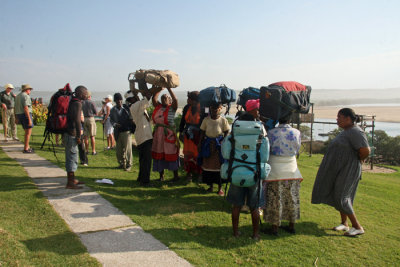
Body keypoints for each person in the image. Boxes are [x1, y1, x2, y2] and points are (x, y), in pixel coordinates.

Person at [311, 108, 370, 237]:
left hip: (348, 169)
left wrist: (358, 160)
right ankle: (344, 223)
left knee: (342, 196)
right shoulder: (347, 131)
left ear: (348, 119)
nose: (337, 120)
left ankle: (357, 226)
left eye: (339, 117)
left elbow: (365, 150)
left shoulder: (356, 132)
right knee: (338, 193)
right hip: (341, 168)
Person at [226, 106, 266, 241]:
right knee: (254, 207)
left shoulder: (232, 136)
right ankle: (255, 234)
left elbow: (226, 153)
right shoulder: (260, 137)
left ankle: (236, 232)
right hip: (254, 174)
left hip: (236, 172)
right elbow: (265, 157)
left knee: (236, 205)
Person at [262, 114, 302, 236]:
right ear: (290, 120)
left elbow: (267, 149)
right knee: (292, 198)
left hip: (276, 168)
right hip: (292, 168)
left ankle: (274, 228)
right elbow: (298, 148)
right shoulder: (296, 132)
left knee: (275, 198)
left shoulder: (271, 132)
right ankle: (291, 225)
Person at [198, 103, 230, 196]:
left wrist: (223, 141)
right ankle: (211, 186)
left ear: (220, 109)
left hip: (218, 146)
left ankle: (220, 188)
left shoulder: (223, 120)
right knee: (208, 166)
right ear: (210, 109)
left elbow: (227, 131)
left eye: (217, 108)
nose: (214, 110)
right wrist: (200, 143)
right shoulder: (206, 120)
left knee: (219, 166)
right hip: (208, 145)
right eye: (212, 108)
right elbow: (202, 132)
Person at [151, 87, 180, 181]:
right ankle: (161, 176)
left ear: (170, 100)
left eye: (166, 97)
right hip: (158, 135)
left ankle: (175, 176)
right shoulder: (158, 107)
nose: (164, 97)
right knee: (159, 154)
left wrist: (168, 88)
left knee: (171, 153)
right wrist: (159, 89)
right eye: (162, 97)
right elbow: (154, 99)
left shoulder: (172, 108)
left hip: (169, 134)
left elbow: (176, 99)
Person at [64, 86, 88, 189]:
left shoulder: (73, 101)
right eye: (85, 93)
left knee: (72, 156)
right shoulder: (77, 103)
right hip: (72, 134)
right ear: (80, 94)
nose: (86, 95)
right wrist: (79, 135)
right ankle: (70, 183)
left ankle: (72, 179)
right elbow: (78, 121)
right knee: (72, 157)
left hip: (69, 133)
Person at [128, 90, 153, 186]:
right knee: (146, 160)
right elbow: (148, 96)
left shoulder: (136, 106)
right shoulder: (137, 105)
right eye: (135, 96)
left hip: (142, 136)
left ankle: (141, 177)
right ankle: (145, 181)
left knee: (143, 159)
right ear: (132, 99)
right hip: (144, 137)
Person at [178, 91, 202, 181]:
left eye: (189, 99)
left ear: (194, 100)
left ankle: (200, 173)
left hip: (198, 136)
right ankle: (189, 173)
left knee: (198, 154)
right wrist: (180, 132)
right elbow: (183, 121)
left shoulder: (202, 108)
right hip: (188, 136)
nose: (187, 100)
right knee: (188, 155)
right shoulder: (187, 107)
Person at [110, 93, 133, 171]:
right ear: (115, 101)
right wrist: (115, 124)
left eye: (120, 100)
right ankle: (121, 164)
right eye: (117, 100)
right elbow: (111, 120)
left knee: (128, 149)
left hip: (126, 131)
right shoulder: (113, 110)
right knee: (119, 150)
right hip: (118, 132)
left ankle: (129, 164)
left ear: (121, 100)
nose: (119, 102)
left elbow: (131, 118)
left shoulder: (126, 108)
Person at [15, 84, 34, 153]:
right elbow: (26, 108)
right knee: (28, 132)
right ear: (27, 90)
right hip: (25, 115)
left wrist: (16, 117)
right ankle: (26, 148)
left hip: (19, 114)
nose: (30, 91)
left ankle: (27, 146)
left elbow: (15, 107)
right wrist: (29, 119)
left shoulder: (18, 96)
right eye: (30, 89)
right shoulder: (26, 96)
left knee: (26, 132)